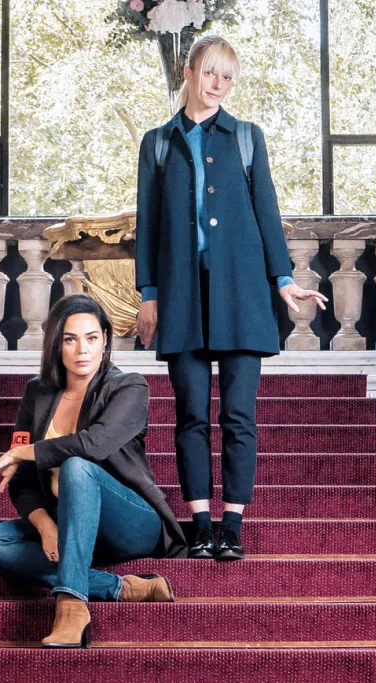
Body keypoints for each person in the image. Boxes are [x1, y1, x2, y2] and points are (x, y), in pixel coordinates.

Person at [134, 35, 328, 562]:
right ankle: (200, 523)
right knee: (191, 415)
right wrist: (149, 294)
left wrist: (283, 280)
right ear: (189, 71)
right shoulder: (157, 144)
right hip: (182, 296)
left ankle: (233, 524)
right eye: (210, 72)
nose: (218, 84)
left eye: (227, 76)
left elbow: (267, 211)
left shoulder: (246, 137)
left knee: (239, 415)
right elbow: (148, 225)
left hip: (243, 294)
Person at [0, 294, 187, 648]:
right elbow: (22, 479)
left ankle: (71, 607)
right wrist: (45, 527)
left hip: (130, 524)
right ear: (56, 343)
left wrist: (21, 452)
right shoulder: (37, 392)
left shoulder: (128, 387)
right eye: (70, 339)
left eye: (91, 337)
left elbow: (94, 445)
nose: (82, 350)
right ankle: (123, 587)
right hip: (71, 525)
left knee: (77, 467)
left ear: (105, 339)